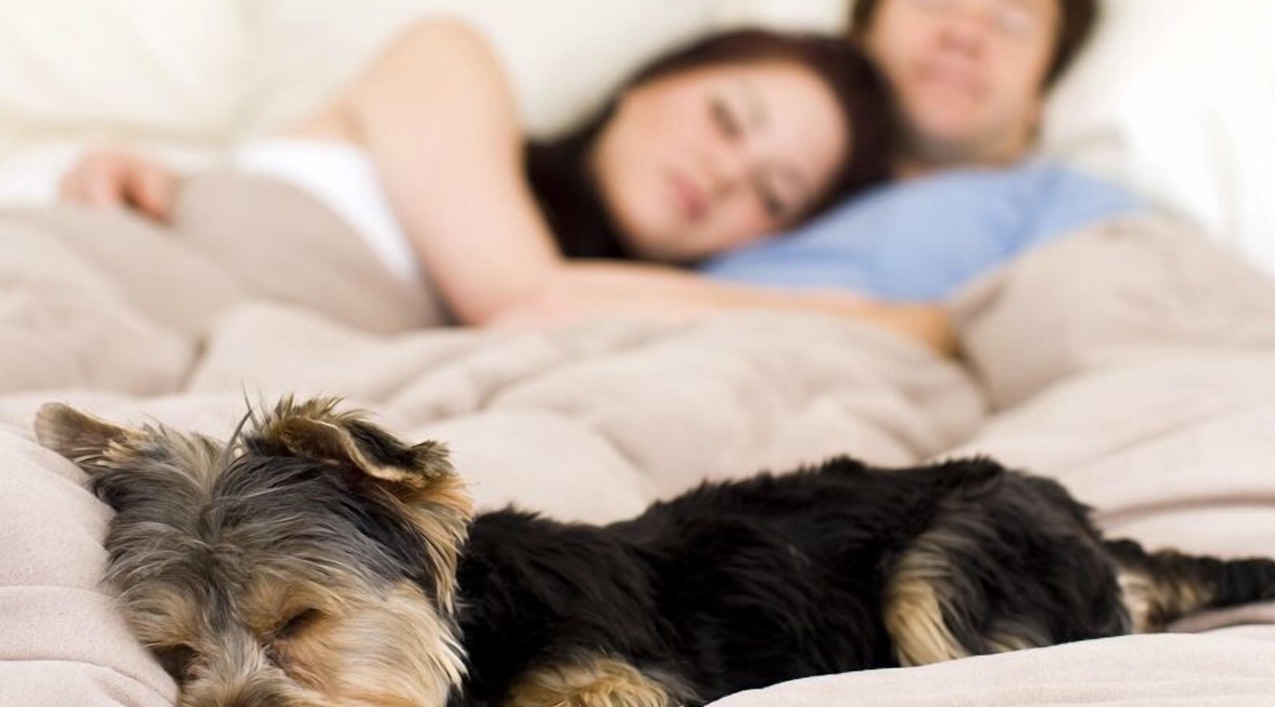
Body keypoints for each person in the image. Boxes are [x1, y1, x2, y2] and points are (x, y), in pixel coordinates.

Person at [59, 24, 956, 354]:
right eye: (728, 118)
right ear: (650, 83)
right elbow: (524, 298)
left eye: (772, 193)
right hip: (97, 274)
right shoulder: (452, 60)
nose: (724, 174)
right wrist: (880, 319)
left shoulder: (602, 318)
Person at [703, 0, 1149, 302]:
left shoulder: (1081, 212)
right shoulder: (757, 165)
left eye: (1012, 22)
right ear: (861, 28)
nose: (964, 34)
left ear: (1042, 93)